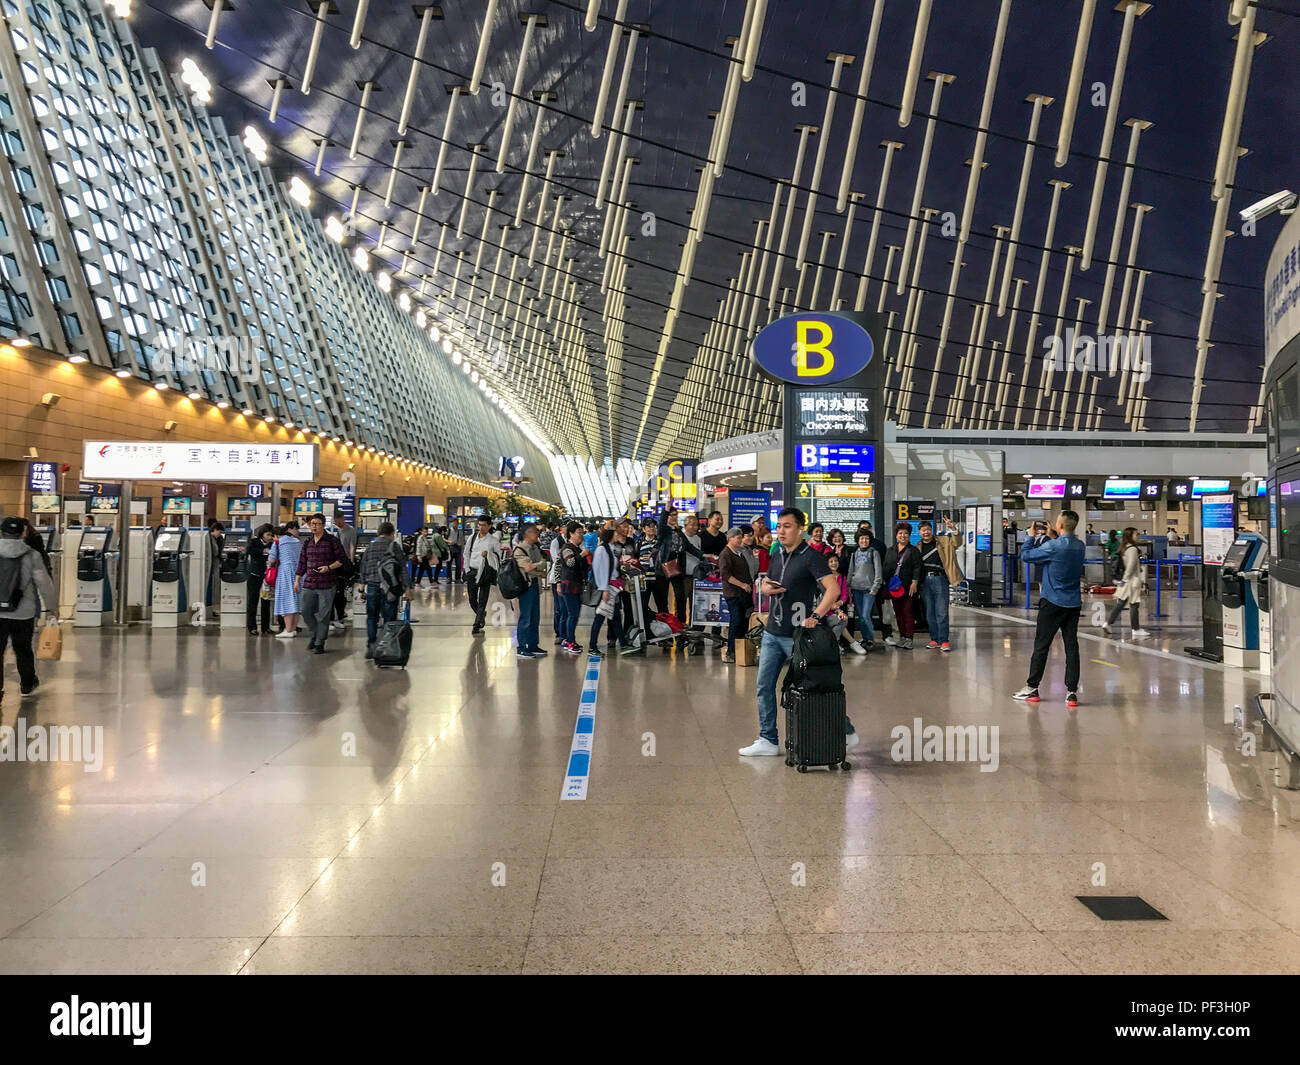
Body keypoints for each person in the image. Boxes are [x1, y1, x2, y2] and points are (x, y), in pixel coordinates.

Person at [740, 507, 858, 757]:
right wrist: (766, 588)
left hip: (798, 637)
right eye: (779, 526)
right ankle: (768, 739)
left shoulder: (811, 557)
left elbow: (832, 590)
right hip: (773, 632)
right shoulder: (778, 554)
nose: (781, 531)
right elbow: (769, 582)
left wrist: (816, 616)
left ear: (800, 529)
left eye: (787, 526)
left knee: (813, 687)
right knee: (764, 686)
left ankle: (846, 730)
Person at [1014, 509, 1086, 707]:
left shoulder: (1053, 547)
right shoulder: (1080, 546)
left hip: (1052, 602)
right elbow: (1064, 548)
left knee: (1042, 645)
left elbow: (1027, 556)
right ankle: (1071, 692)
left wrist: (1030, 537)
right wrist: (1052, 536)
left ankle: (1032, 687)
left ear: (1061, 525)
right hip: (1073, 603)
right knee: (1072, 646)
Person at [0, 515, 58, 697]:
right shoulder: (31, 555)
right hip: (22, 612)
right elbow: (44, 583)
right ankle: (27, 683)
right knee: (23, 648)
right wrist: (52, 607)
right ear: (23, 533)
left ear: (1, 532)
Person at [295, 513, 347, 654]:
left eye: (317, 524)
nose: (314, 526)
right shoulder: (307, 542)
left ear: (323, 525)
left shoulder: (332, 541)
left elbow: (342, 559)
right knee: (306, 612)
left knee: (323, 615)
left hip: (327, 584)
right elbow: (302, 563)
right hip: (309, 583)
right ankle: (314, 634)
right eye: (312, 524)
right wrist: (297, 580)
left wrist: (328, 567)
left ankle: (319, 643)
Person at [360, 521, 412, 659]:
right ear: (392, 534)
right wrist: (408, 588)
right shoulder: (393, 546)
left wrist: (361, 588)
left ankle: (371, 646)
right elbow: (402, 569)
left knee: (372, 618)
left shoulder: (370, 547)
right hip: (390, 589)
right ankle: (385, 647)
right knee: (389, 620)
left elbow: (363, 568)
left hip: (372, 587)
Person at [917, 519, 961, 652]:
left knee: (941, 611)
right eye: (923, 530)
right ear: (919, 532)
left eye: (928, 529)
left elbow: (957, 542)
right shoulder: (917, 546)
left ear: (932, 530)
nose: (926, 532)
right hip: (925, 581)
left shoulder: (944, 541)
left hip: (940, 579)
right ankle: (934, 638)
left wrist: (953, 529)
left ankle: (944, 640)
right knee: (930, 612)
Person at [1102, 526, 1149, 640]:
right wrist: (1125, 579)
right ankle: (1136, 629)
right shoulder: (1132, 549)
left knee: (1121, 604)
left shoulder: (1123, 547)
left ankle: (1107, 623)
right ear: (1130, 536)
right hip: (1131, 581)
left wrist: (1123, 580)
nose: (1137, 536)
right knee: (1134, 604)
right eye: (1136, 534)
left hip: (1125, 580)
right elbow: (1131, 565)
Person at [656, 507, 702, 625]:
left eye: (675, 514)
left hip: (676, 568)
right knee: (662, 600)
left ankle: (680, 623)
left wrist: (703, 557)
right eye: (671, 515)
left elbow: (688, 547)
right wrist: (666, 507)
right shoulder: (663, 530)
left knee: (680, 596)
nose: (673, 517)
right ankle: (664, 624)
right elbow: (662, 521)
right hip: (663, 569)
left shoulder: (679, 532)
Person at [882, 522, 923, 649]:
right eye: (900, 533)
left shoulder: (913, 551)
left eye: (906, 533)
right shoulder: (890, 550)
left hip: (908, 587)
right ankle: (902, 637)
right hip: (894, 588)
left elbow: (917, 568)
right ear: (896, 535)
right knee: (898, 613)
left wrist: (915, 582)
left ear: (909, 535)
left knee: (907, 613)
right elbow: (886, 567)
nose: (903, 535)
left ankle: (909, 638)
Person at [512, 523, 549, 659]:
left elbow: (542, 563)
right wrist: (538, 566)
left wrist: (536, 566)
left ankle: (533, 644)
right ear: (527, 533)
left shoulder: (535, 548)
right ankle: (521, 647)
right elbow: (527, 568)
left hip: (535, 585)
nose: (537, 534)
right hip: (525, 587)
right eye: (534, 532)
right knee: (525, 617)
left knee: (535, 617)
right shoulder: (520, 549)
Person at [718, 526, 752, 663]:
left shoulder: (739, 553)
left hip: (743, 594)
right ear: (730, 538)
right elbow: (726, 575)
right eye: (738, 538)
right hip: (733, 593)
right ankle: (731, 650)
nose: (740, 540)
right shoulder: (725, 554)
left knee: (743, 621)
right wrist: (742, 585)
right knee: (736, 620)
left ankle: (740, 649)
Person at [587, 527, 623, 657]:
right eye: (615, 533)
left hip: (612, 588)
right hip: (607, 589)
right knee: (600, 618)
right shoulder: (602, 550)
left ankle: (624, 643)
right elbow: (599, 569)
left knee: (616, 617)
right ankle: (592, 646)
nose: (617, 535)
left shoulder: (611, 549)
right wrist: (604, 589)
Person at [464, 516, 501, 635]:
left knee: (483, 599)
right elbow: (466, 553)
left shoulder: (493, 540)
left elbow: (498, 556)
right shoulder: (472, 537)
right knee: (471, 599)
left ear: (489, 526)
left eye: (484, 525)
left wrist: (488, 554)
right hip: (473, 571)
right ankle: (481, 615)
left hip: (486, 572)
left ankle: (477, 624)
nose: (481, 527)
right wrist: (467, 569)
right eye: (479, 525)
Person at [847, 530, 881, 651]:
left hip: (868, 590)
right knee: (861, 616)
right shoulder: (854, 553)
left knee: (866, 615)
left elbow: (878, 572)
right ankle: (865, 638)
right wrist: (849, 586)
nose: (864, 541)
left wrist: (875, 587)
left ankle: (870, 639)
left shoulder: (874, 553)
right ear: (858, 540)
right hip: (856, 589)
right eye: (861, 539)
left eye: (866, 538)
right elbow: (851, 571)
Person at [556, 521, 588, 655]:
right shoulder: (567, 548)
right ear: (571, 534)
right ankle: (569, 640)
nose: (581, 536)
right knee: (572, 614)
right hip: (569, 585)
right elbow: (570, 562)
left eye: (582, 532)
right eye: (579, 533)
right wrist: (582, 555)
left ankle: (570, 639)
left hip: (576, 584)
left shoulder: (577, 548)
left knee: (574, 614)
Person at [270, 521, 303, 638]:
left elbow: (271, 560)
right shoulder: (298, 542)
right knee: (296, 601)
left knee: (286, 600)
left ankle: (288, 630)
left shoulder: (278, 542)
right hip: (299, 573)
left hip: (285, 572)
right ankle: (293, 629)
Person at [824, 552, 859, 653]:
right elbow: (822, 596)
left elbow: (844, 595)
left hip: (837, 608)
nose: (834, 563)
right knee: (842, 620)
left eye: (835, 561)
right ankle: (851, 642)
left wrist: (838, 604)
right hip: (825, 610)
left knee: (842, 620)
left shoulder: (842, 577)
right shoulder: (823, 578)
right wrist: (832, 606)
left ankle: (834, 644)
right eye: (831, 561)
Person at [246, 523, 275, 635]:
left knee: (266, 602)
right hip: (254, 575)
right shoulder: (254, 542)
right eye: (267, 535)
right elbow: (249, 550)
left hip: (267, 577)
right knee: (253, 601)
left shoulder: (273, 544)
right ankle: (252, 626)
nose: (269, 537)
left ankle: (265, 627)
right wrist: (264, 551)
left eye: (271, 535)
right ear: (262, 534)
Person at [329, 512, 357, 630]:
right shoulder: (332, 531)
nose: (337, 524)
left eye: (338, 521)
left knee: (341, 592)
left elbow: (352, 546)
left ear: (343, 518)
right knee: (331, 592)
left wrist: (350, 562)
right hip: (332, 563)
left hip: (343, 563)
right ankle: (331, 619)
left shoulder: (351, 530)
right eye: (335, 522)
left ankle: (340, 616)